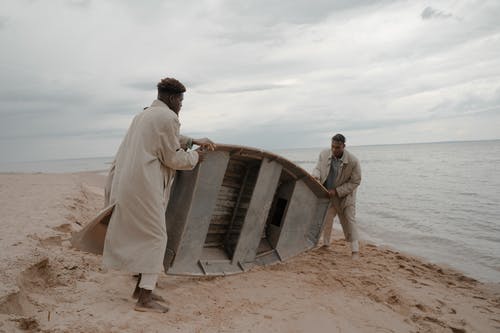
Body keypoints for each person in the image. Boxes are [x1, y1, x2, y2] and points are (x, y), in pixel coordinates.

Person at [102, 77, 215, 313]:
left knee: (145, 235)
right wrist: (196, 157)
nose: (181, 105)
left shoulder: (143, 115)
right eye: (181, 101)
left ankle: (141, 287)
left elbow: (163, 139)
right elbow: (173, 157)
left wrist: (193, 141)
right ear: (173, 98)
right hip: (143, 187)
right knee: (156, 237)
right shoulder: (168, 117)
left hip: (127, 184)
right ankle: (145, 299)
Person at [312, 134, 361, 258]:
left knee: (350, 221)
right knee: (327, 220)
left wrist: (338, 190)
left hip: (345, 196)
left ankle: (355, 251)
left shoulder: (353, 161)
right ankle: (326, 244)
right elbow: (318, 168)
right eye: (332, 146)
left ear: (344, 146)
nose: (334, 150)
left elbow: (356, 181)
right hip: (328, 194)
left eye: (337, 147)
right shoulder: (323, 154)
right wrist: (316, 176)